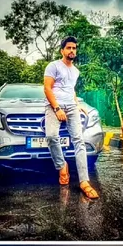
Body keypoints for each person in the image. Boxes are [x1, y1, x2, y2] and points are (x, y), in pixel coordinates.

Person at [44, 36, 99, 199]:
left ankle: (84, 181)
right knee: (52, 136)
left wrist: (77, 103)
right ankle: (62, 165)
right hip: (54, 106)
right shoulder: (53, 66)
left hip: (72, 107)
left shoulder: (76, 71)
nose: (72, 50)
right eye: (68, 48)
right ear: (62, 50)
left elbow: (71, 89)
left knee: (79, 141)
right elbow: (47, 88)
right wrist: (57, 108)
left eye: (74, 48)